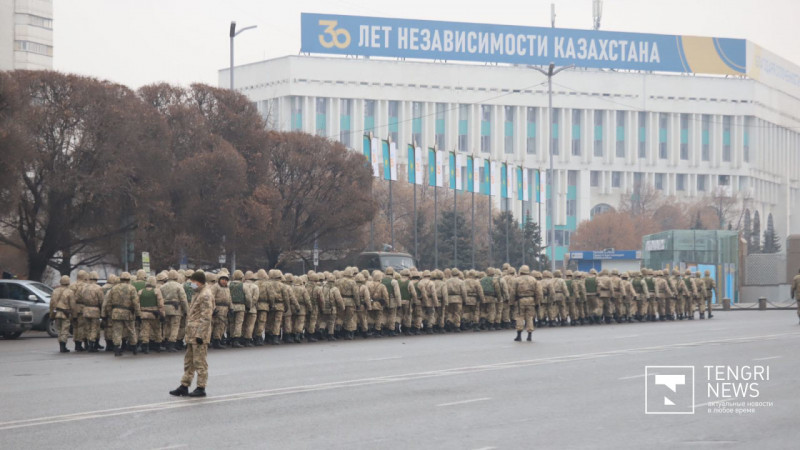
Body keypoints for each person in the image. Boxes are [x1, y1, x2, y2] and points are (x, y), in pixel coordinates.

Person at [170, 271, 214, 398]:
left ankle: (201, 387)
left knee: (200, 362)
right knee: (189, 361)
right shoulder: (198, 292)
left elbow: (206, 317)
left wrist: (200, 335)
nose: (191, 284)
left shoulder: (205, 295)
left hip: (199, 334)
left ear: (199, 282)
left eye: (193, 282)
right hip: (192, 333)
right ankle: (184, 385)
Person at [50, 275, 74, 353]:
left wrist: (51, 315)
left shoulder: (55, 291)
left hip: (57, 313)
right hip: (65, 314)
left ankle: (61, 345)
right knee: (65, 330)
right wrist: (73, 314)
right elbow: (72, 304)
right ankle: (63, 346)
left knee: (59, 330)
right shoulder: (70, 292)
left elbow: (52, 304)